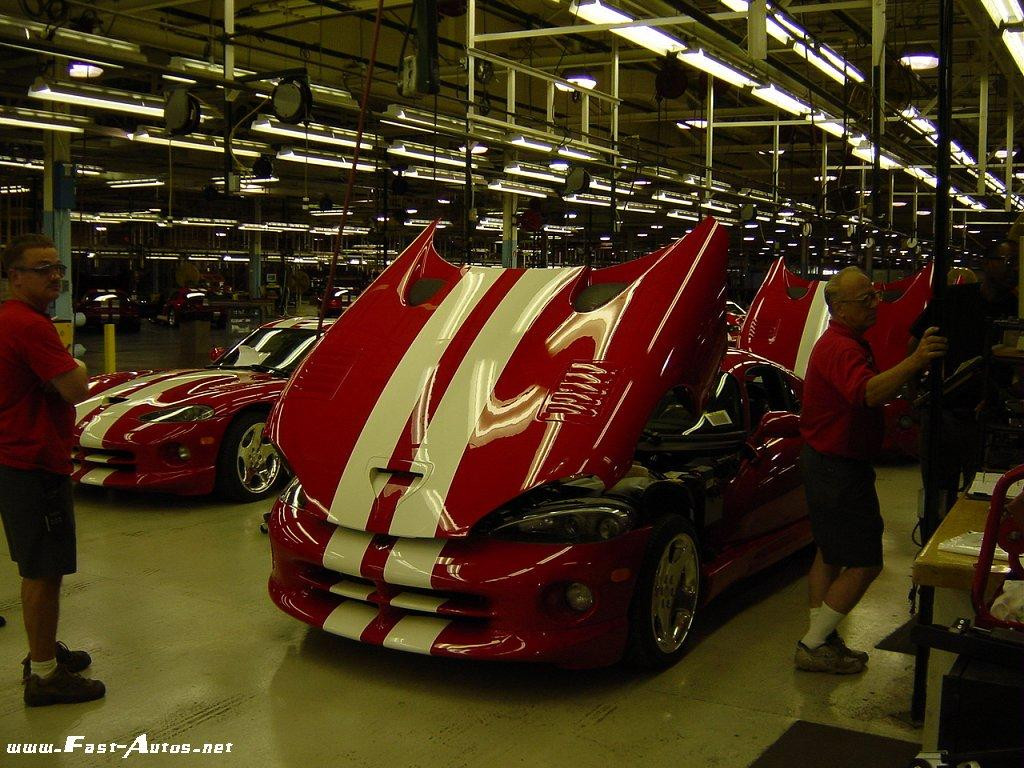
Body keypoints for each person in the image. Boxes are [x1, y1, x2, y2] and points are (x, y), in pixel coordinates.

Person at [795, 266, 947, 674]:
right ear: (840, 307)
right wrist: (916, 361)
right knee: (866, 561)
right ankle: (812, 644)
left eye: (874, 296)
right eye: (866, 300)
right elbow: (868, 393)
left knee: (828, 553)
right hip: (838, 468)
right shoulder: (842, 348)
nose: (875, 304)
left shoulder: (845, 342)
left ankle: (823, 639)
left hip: (826, 461)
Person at [0, 233, 105, 706]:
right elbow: (76, 386)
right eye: (42, 268)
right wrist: (68, 372)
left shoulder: (8, 320)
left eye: (58, 266)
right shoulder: (29, 325)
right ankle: (44, 673)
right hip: (33, 460)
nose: (55, 276)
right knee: (43, 569)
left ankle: (44, 650)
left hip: (16, 457)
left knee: (42, 564)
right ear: (15, 276)